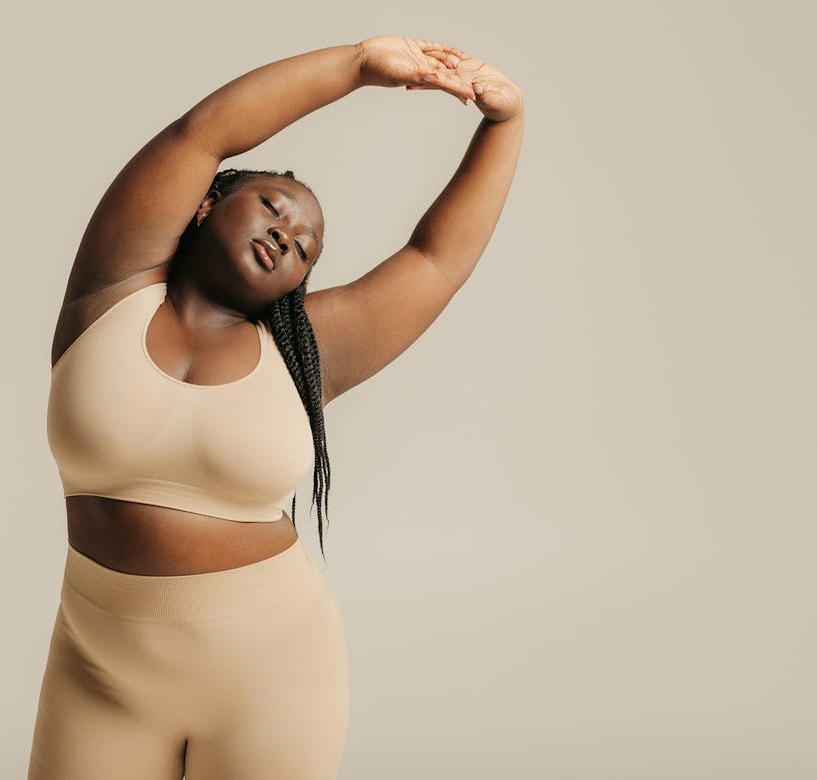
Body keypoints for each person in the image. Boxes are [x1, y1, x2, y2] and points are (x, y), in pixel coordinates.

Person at [28, 35, 524, 779]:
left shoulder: (303, 353)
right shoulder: (110, 292)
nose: (286, 236)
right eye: (273, 207)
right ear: (205, 204)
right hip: (99, 670)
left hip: (272, 671)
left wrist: (504, 124)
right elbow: (202, 134)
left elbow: (435, 261)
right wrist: (358, 65)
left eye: (305, 248)